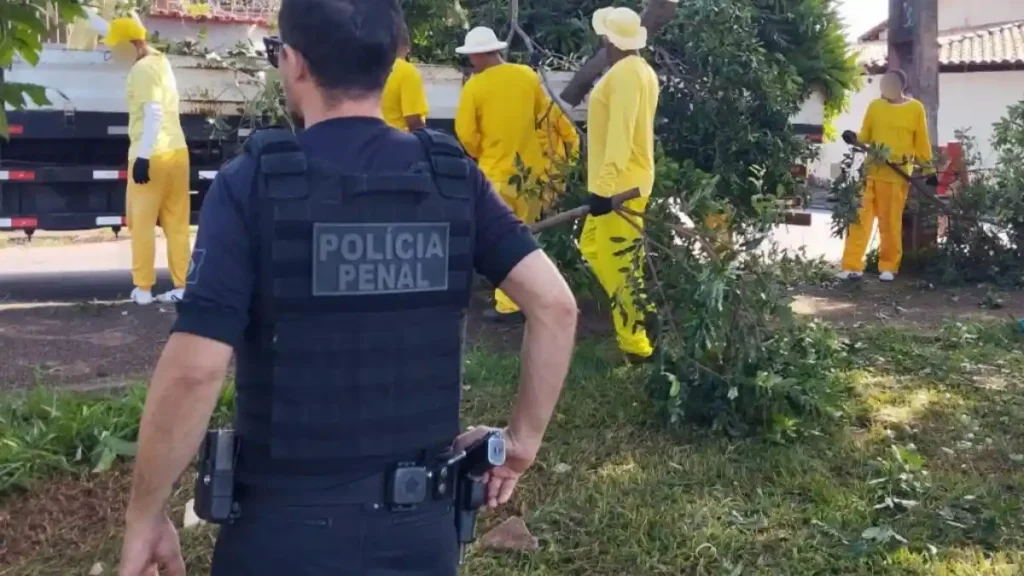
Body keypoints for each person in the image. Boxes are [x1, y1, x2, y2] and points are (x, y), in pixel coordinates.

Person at [116, 1, 578, 575]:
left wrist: (147, 513)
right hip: (422, 535)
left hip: (282, 536)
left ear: (295, 64)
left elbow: (195, 369)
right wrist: (521, 441)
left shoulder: (254, 182)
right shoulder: (451, 175)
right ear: (390, 66)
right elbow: (555, 306)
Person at [83, 11, 192, 305]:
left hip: (151, 155)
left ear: (131, 45)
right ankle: (183, 286)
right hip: (177, 153)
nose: (112, 55)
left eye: (113, 49)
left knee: (141, 225)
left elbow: (152, 112)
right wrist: (81, 10)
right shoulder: (160, 61)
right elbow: (120, 32)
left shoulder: (140, 71)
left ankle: (143, 289)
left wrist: (143, 157)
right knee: (177, 225)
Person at [454, 26, 557, 324]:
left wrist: (481, 151)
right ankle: (533, 295)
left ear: (479, 54)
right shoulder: (527, 75)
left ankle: (508, 305)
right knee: (528, 235)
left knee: (499, 238)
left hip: (496, 172)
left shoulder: (475, 86)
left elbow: (465, 133)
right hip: (532, 171)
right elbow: (544, 116)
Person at [581, 6, 659, 363]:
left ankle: (636, 345)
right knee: (593, 248)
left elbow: (620, 136)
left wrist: (604, 189)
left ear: (609, 38)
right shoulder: (638, 70)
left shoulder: (628, 74)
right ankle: (636, 308)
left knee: (623, 268)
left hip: (621, 189)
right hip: (616, 183)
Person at [838, 69, 936, 282]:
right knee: (859, 220)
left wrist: (929, 169)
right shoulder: (875, 106)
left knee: (890, 222)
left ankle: (889, 266)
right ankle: (852, 265)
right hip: (871, 171)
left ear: (901, 86)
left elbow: (921, 141)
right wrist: (854, 137)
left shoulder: (915, 109)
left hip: (897, 175)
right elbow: (866, 134)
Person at [381, 19, 429, 131]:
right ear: (407, 47)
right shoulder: (407, 72)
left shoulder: (370, 68)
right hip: (397, 142)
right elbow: (413, 119)